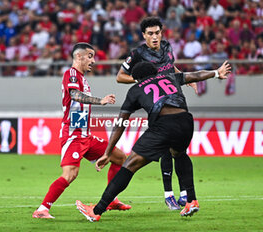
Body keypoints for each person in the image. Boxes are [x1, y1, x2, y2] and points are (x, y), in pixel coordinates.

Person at [76, 60, 231, 222]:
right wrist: (216, 73)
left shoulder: (135, 89)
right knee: (179, 154)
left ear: (137, 79)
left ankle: (96, 210)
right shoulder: (170, 77)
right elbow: (195, 75)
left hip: (164, 125)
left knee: (130, 164)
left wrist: (108, 152)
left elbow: (121, 123)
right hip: (186, 120)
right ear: (155, 73)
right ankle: (191, 200)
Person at [32, 42, 130, 219]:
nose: (93, 60)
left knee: (120, 158)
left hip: (85, 134)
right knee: (70, 174)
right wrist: (100, 101)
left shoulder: (83, 78)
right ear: (79, 56)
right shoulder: (71, 74)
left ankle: (112, 200)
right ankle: (42, 209)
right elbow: (75, 95)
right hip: (73, 134)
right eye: (90, 56)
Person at [116, 16, 196, 210]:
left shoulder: (167, 48)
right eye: (150, 33)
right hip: (156, 105)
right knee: (166, 150)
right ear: (144, 35)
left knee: (179, 150)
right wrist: (142, 83)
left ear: (162, 33)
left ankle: (184, 194)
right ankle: (169, 194)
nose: (154, 37)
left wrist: (185, 78)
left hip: (174, 99)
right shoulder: (137, 54)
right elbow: (120, 76)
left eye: (157, 33)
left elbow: (171, 68)